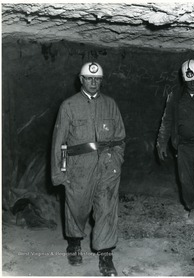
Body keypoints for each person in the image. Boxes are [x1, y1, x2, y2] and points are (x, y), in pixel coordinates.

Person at [51, 62, 126, 276]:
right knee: (77, 207)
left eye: (97, 79)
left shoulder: (111, 104)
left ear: (101, 80)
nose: (93, 83)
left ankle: (105, 255)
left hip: (107, 165)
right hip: (79, 166)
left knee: (106, 209)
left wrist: (116, 160)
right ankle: (74, 242)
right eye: (89, 78)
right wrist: (60, 172)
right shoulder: (68, 106)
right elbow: (59, 142)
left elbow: (120, 137)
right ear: (81, 79)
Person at [156, 59, 194, 239]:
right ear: (184, 79)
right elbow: (166, 120)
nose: (193, 83)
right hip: (183, 147)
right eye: (189, 81)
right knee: (186, 183)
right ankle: (193, 206)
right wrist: (161, 142)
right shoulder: (175, 95)